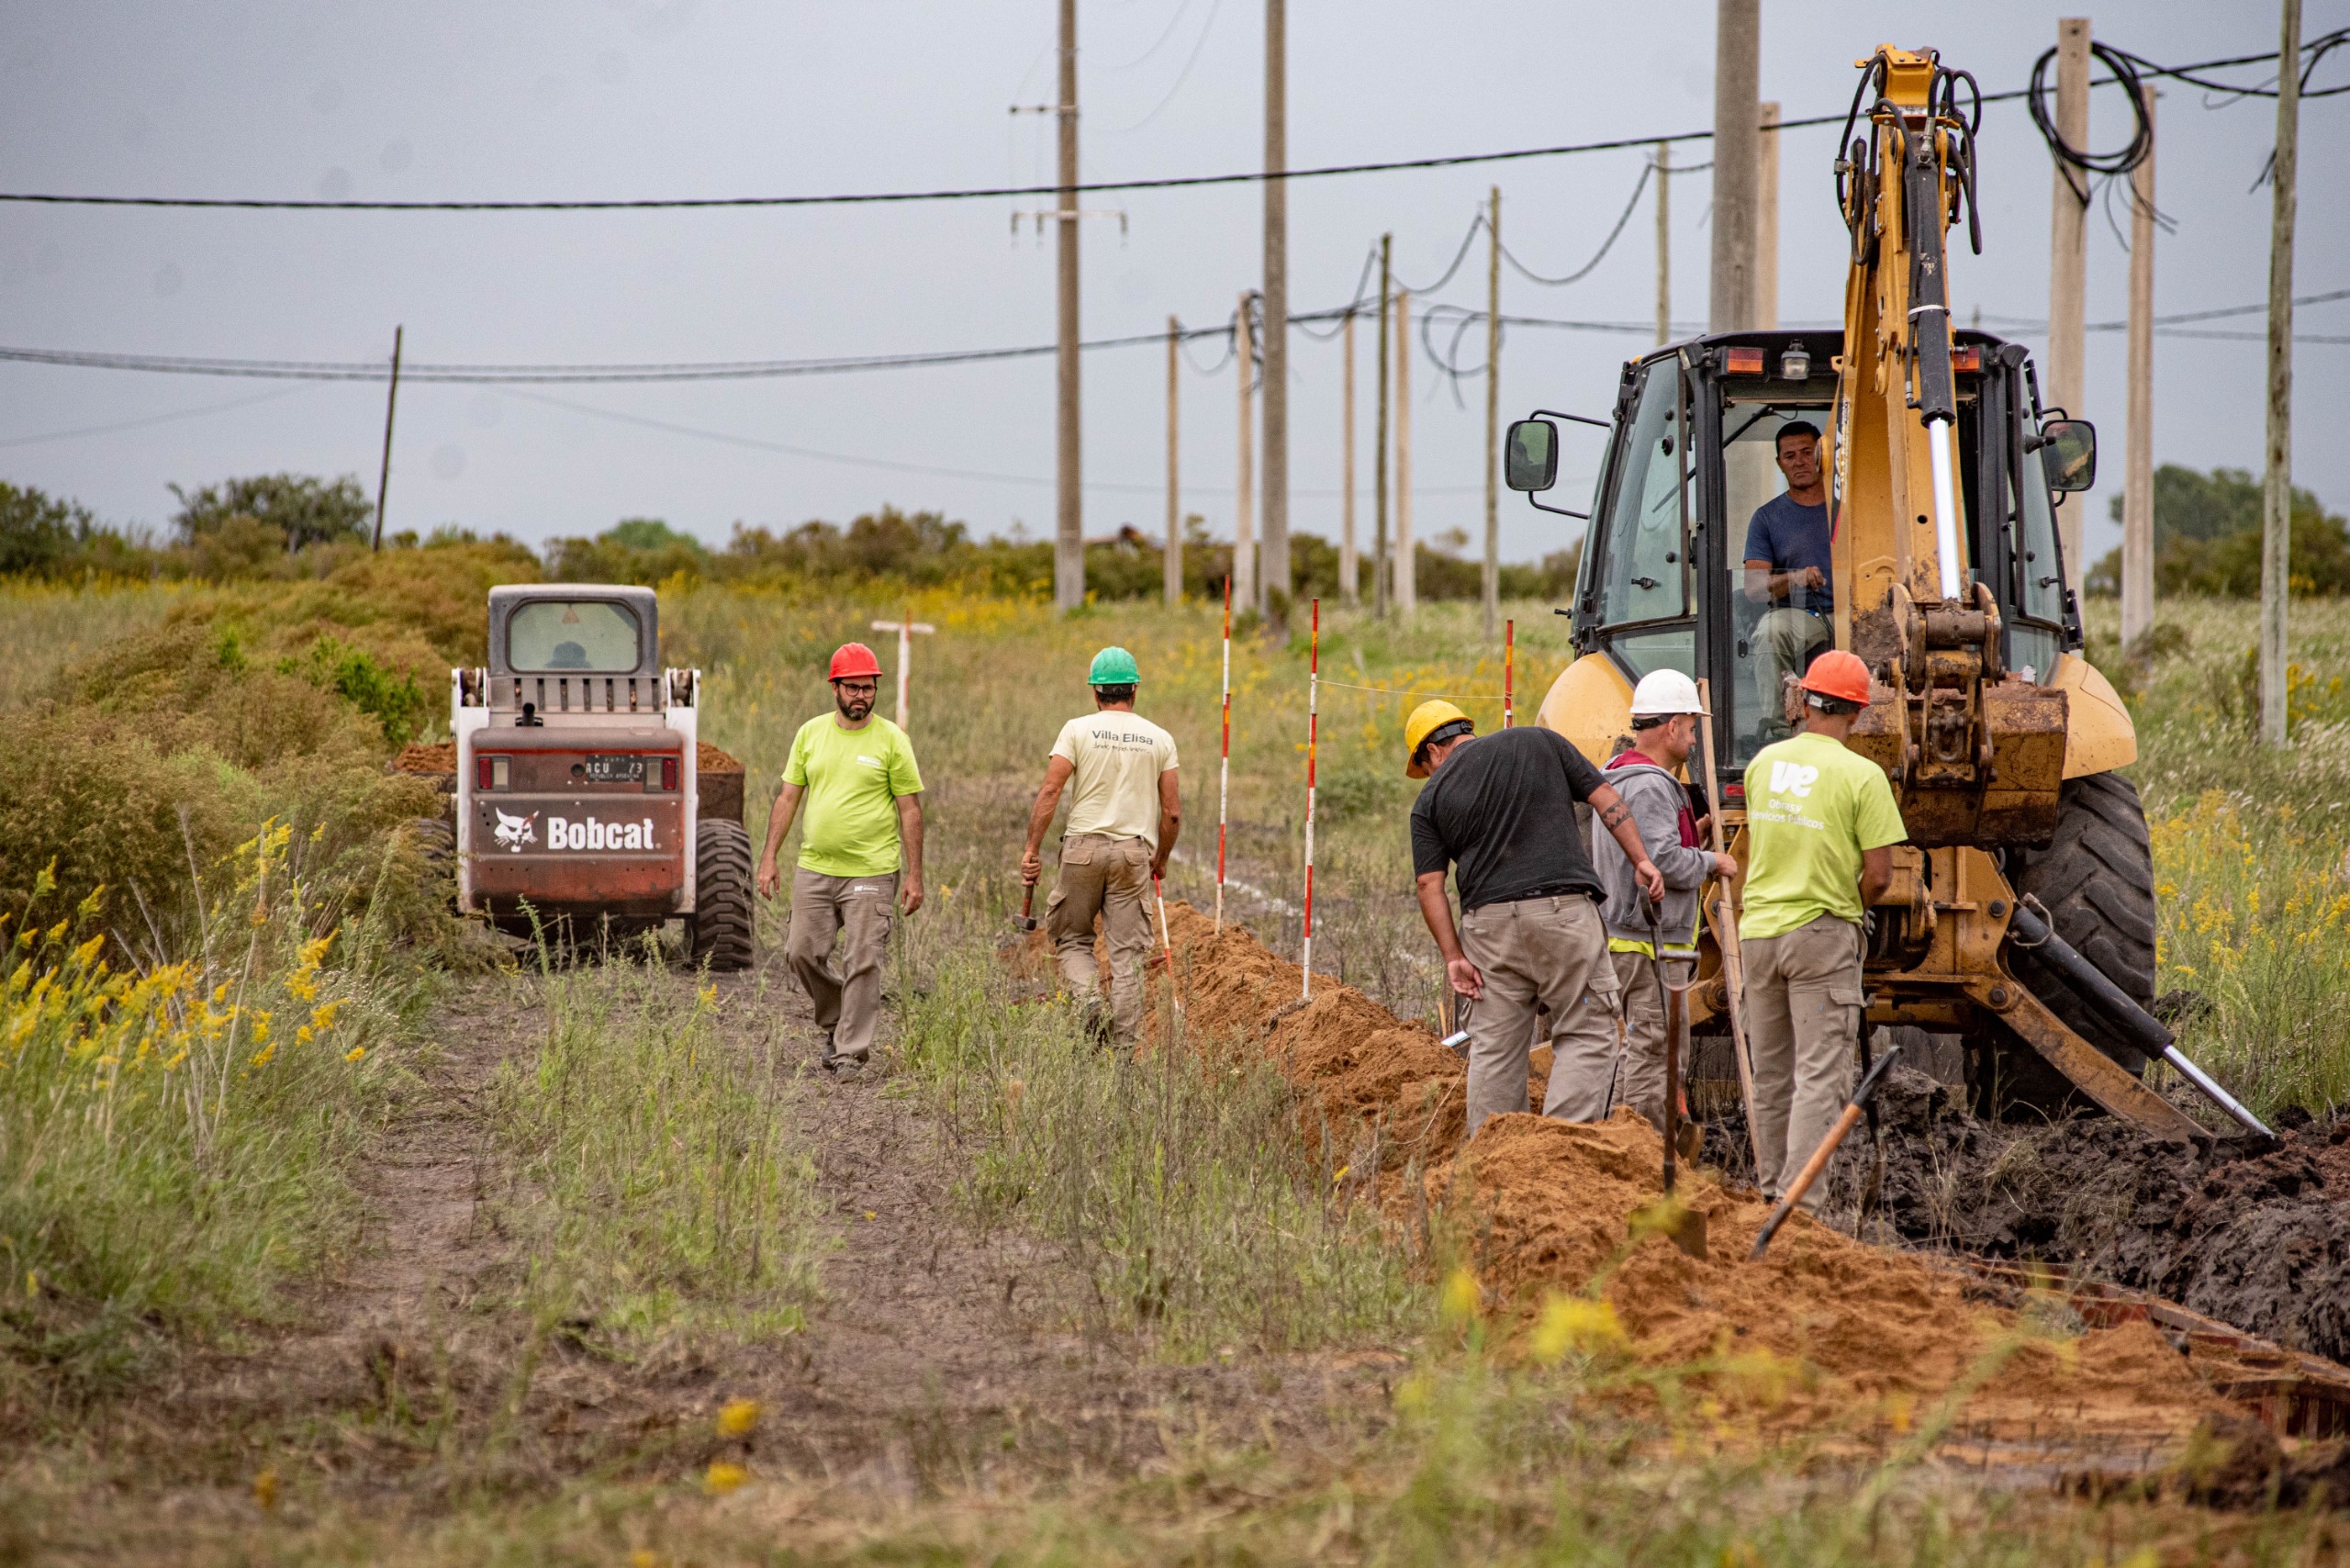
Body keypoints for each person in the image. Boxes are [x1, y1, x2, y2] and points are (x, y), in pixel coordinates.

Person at [1405, 699, 1665, 1136]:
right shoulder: (1538, 740)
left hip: (1488, 929)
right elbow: (1606, 799)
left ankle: (1495, 1163)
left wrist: (1454, 957)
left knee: (1494, 1047)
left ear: (1431, 752)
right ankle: (1561, 1151)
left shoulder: (1428, 800)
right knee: (1586, 1030)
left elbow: (1429, 884)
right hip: (1563, 914)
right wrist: (1641, 861)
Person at [1738, 649, 1903, 1208]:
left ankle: (1769, 1194)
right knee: (1818, 1075)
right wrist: (1845, 905)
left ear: (1804, 702)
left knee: (1772, 1075)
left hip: (1757, 935)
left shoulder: (1763, 763)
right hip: (1819, 935)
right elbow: (1879, 878)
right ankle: (1799, 1208)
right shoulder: (1864, 775)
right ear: (1857, 714)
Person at [1547, 671, 1741, 1132]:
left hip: (1625, 939)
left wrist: (1698, 833)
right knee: (1655, 1050)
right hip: (1648, 941)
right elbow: (1663, 862)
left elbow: (1651, 847)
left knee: (1637, 1046)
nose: (1694, 741)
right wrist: (1714, 861)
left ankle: (1617, 1135)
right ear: (1671, 727)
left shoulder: (1618, 776)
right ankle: (1641, 1149)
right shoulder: (1652, 785)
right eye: (1691, 729)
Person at [755, 641, 926, 1077]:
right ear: (835, 687)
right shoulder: (811, 734)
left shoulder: (892, 739)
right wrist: (769, 857)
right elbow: (788, 796)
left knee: (863, 960)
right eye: (852, 688)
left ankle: (851, 1051)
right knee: (800, 953)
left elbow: (910, 809)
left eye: (867, 688)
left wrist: (915, 876)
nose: (860, 697)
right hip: (815, 867)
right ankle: (837, 1021)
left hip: (872, 870)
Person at [1020, 646, 1181, 1048]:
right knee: (1128, 956)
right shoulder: (1160, 738)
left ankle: (1089, 1001)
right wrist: (1159, 860)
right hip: (1132, 854)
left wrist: (1032, 849)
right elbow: (1172, 813)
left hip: (1081, 850)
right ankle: (1124, 1054)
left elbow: (1051, 790)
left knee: (1073, 939)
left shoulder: (1076, 730)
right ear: (1134, 690)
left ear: (1096, 693)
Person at [1742, 421, 1835, 738]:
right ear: (1780, 463)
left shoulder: (1851, 508)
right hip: (1803, 614)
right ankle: (1781, 732)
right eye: (1790, 455)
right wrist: (1794, 578)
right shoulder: (1767, 518)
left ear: (1822, 455)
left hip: (1861, 612)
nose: (1799, 461)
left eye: (1807, 452)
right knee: (1771, 632)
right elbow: (1755, 588)